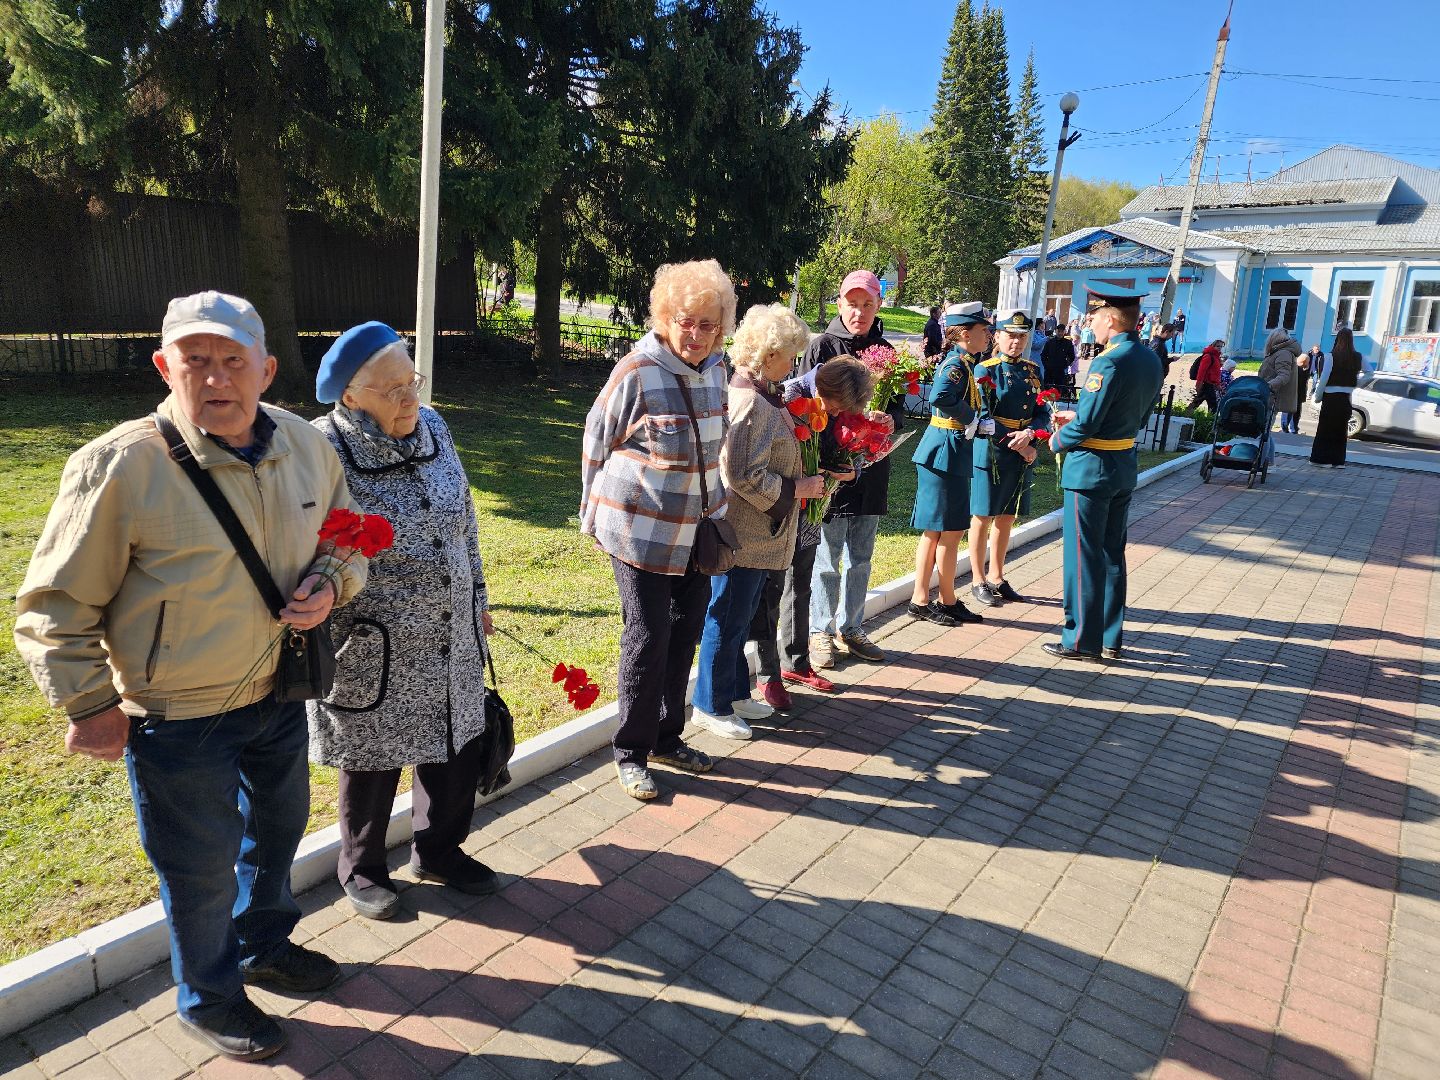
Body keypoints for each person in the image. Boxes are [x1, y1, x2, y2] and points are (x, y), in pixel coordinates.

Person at [14, 292, 367, 1061]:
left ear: (266, 369)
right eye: (194, 360)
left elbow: (350, 533)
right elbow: (53, 606)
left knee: (274, 842)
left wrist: (333, 582)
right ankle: (208, 998)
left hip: (278, 694)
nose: (215, 378)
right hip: (176, 719)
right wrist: (90, 704)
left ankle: (262, 948)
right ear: (163, 367)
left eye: (232, 360)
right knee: (200, 871)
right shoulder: (118, 465)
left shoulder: (308, 446)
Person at [308, 323, 498, 921]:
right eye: (390, 391)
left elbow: (463, 517)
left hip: (451, 626)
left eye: (410, 382)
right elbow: (309, 544)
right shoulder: (323, 449)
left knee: (454, 743)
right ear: (350, 397)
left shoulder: (434, 425)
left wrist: (479, 596)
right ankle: (362, 868)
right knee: (371, 755)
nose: (409, 399)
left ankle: (439, 850)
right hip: (374, 636)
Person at [580, 259, 735, 800]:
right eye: (685, 321)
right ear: (666, 317)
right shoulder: (637, 370)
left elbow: (717, 446)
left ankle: (669, 737)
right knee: (648, 637)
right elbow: (597, 439)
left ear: (722, 327)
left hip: (695, 529)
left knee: (686, 628)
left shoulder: (720, 368)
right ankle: (630, 752)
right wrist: (589, 510)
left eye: (707, 324)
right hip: (638, 530)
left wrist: (716, 509)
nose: (695, 334)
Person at [692, 305, 824, 739]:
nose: (795, 365)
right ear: (768, 355)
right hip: (743, 534)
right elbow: (743, 473)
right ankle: (709, 705)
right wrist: (795, 490)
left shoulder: (766, 394)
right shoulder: (751, 402)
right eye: (789, 356)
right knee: (726, 617)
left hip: (759, 536)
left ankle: (732, 693)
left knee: (740, 616)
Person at [1043, 288, 1164, 662]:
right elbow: (1136, 416)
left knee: (1083, 557)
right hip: (1122, 465)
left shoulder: (1108, 362)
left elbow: (1090, 423)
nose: (1090, 323)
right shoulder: (1149, 359)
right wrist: (1078, 417)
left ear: (1109, 318)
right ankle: (1111, 638)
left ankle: (1079, 640)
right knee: (1113, 555)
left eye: (1093, 316)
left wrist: (1058, 439)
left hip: (1090, 471)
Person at [751, 357, 874, 707]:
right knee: (771, 590)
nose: (836, 413)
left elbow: (849, 448)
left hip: (811, 512)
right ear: (824, 388)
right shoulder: (788, 398)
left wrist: (852, 470)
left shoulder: (833, 402)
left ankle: (796, 661)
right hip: (780, 510)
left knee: (799, 585)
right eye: (835, 406)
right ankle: (768, 673)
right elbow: (770, 460)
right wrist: (809, 473)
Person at [799, 270, 901, 670]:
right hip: (832, 467)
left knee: (862, 555)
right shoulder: (822, 346)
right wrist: (829, 460)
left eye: (867, 305)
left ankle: (853, 627)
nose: (859, 312)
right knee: (827, 555)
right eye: (852, 304)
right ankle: (820, 631)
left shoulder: (888, 351)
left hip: (872, 469)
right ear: (839, 304)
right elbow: (804, 403)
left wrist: (890, 421)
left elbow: (898, 407)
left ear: (878, 307)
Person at [908, 302, 989, 627]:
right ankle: (923, 599)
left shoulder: (965, 364)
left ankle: (945, 599)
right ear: (965, 334)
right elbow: (940, 397)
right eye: (984, 331)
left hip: (950, 454)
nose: (988, 336)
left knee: (948, 531)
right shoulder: (956, 364)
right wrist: (971, 420)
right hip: (942, 455)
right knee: (941, 531)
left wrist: (977, 422)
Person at [968, 310, 1053, 608]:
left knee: (1007, 516)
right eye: (1010, 335)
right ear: (998, 336)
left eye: (1022, 336)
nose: (1016, 342)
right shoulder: (985, 370)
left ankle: (997, 576)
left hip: (1023, 448)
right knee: (982, 516)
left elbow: (1043, 411)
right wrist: (1020, 445)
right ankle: (977, 579)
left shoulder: (1033, 370)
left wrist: (1032, 434)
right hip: (992, 451)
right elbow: (983, 416)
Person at [1310, 327, 1363, 468]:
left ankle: (1321, 459)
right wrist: (1354, 384)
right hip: (1346, 397)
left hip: (1331, 398)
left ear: (1337, 339)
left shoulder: (1330, 356)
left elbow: (1324, 378)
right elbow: (1370, 372)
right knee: (1341, 430)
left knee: (1325, 429)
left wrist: (1317, 396)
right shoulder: (1357, 357)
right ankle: (1338, 461)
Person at [1259, 327, 1300, 443]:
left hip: (1272, 398)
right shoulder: (1280, 352)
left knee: (1264, 434)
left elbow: (1283, 376)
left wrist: (1266, 386)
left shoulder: (1283, 353)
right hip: (1270, 397)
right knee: (1265, 434)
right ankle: (1268, 460)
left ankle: (1265, 459)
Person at [1188, 339, 1224, 412]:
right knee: (1212, 404)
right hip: (1206, 384)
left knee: (1198, 402)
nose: (1219, 348)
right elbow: (1201, 372)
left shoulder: (1216, 357)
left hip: (1210, 384)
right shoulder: (1208, 356)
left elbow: (1215, 372)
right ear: (1213, 346)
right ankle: (1210, 420)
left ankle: (1186, 414)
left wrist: (1217, 384)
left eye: (1221, 346)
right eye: (1217, 346)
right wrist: (1199, 385)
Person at [1284, 352, 1312, 434]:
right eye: (1308, 362)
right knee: (1289, 412)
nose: (1308, 363)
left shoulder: (1301, 369)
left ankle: (1293, 428)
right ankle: (1286, 428)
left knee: (1295, 412)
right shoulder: (1294, 369)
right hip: (1292, 394)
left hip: (1298, 395)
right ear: (1304, 362)